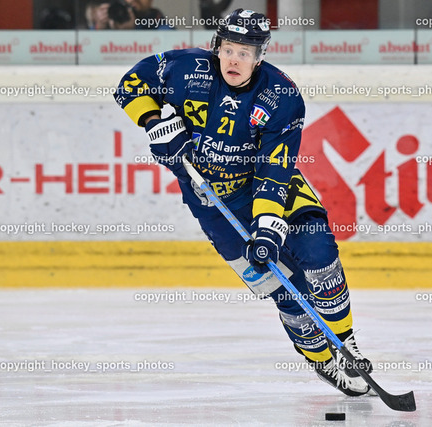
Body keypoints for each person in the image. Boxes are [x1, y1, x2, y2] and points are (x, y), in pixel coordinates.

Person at [114, 9, 373, 396]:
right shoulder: (184, 68)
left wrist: (268, 225)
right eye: (229, 49)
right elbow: (129, 84)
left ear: (260, 55)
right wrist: (153, 122)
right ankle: (322, 360)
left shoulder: (280, 95)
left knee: (319, 252)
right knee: (285, 290)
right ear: (217, 46)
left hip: (268, 186)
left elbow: (276, 168)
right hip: (213, 204)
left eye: (245, 52)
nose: (235, 60)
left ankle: (346, 344)